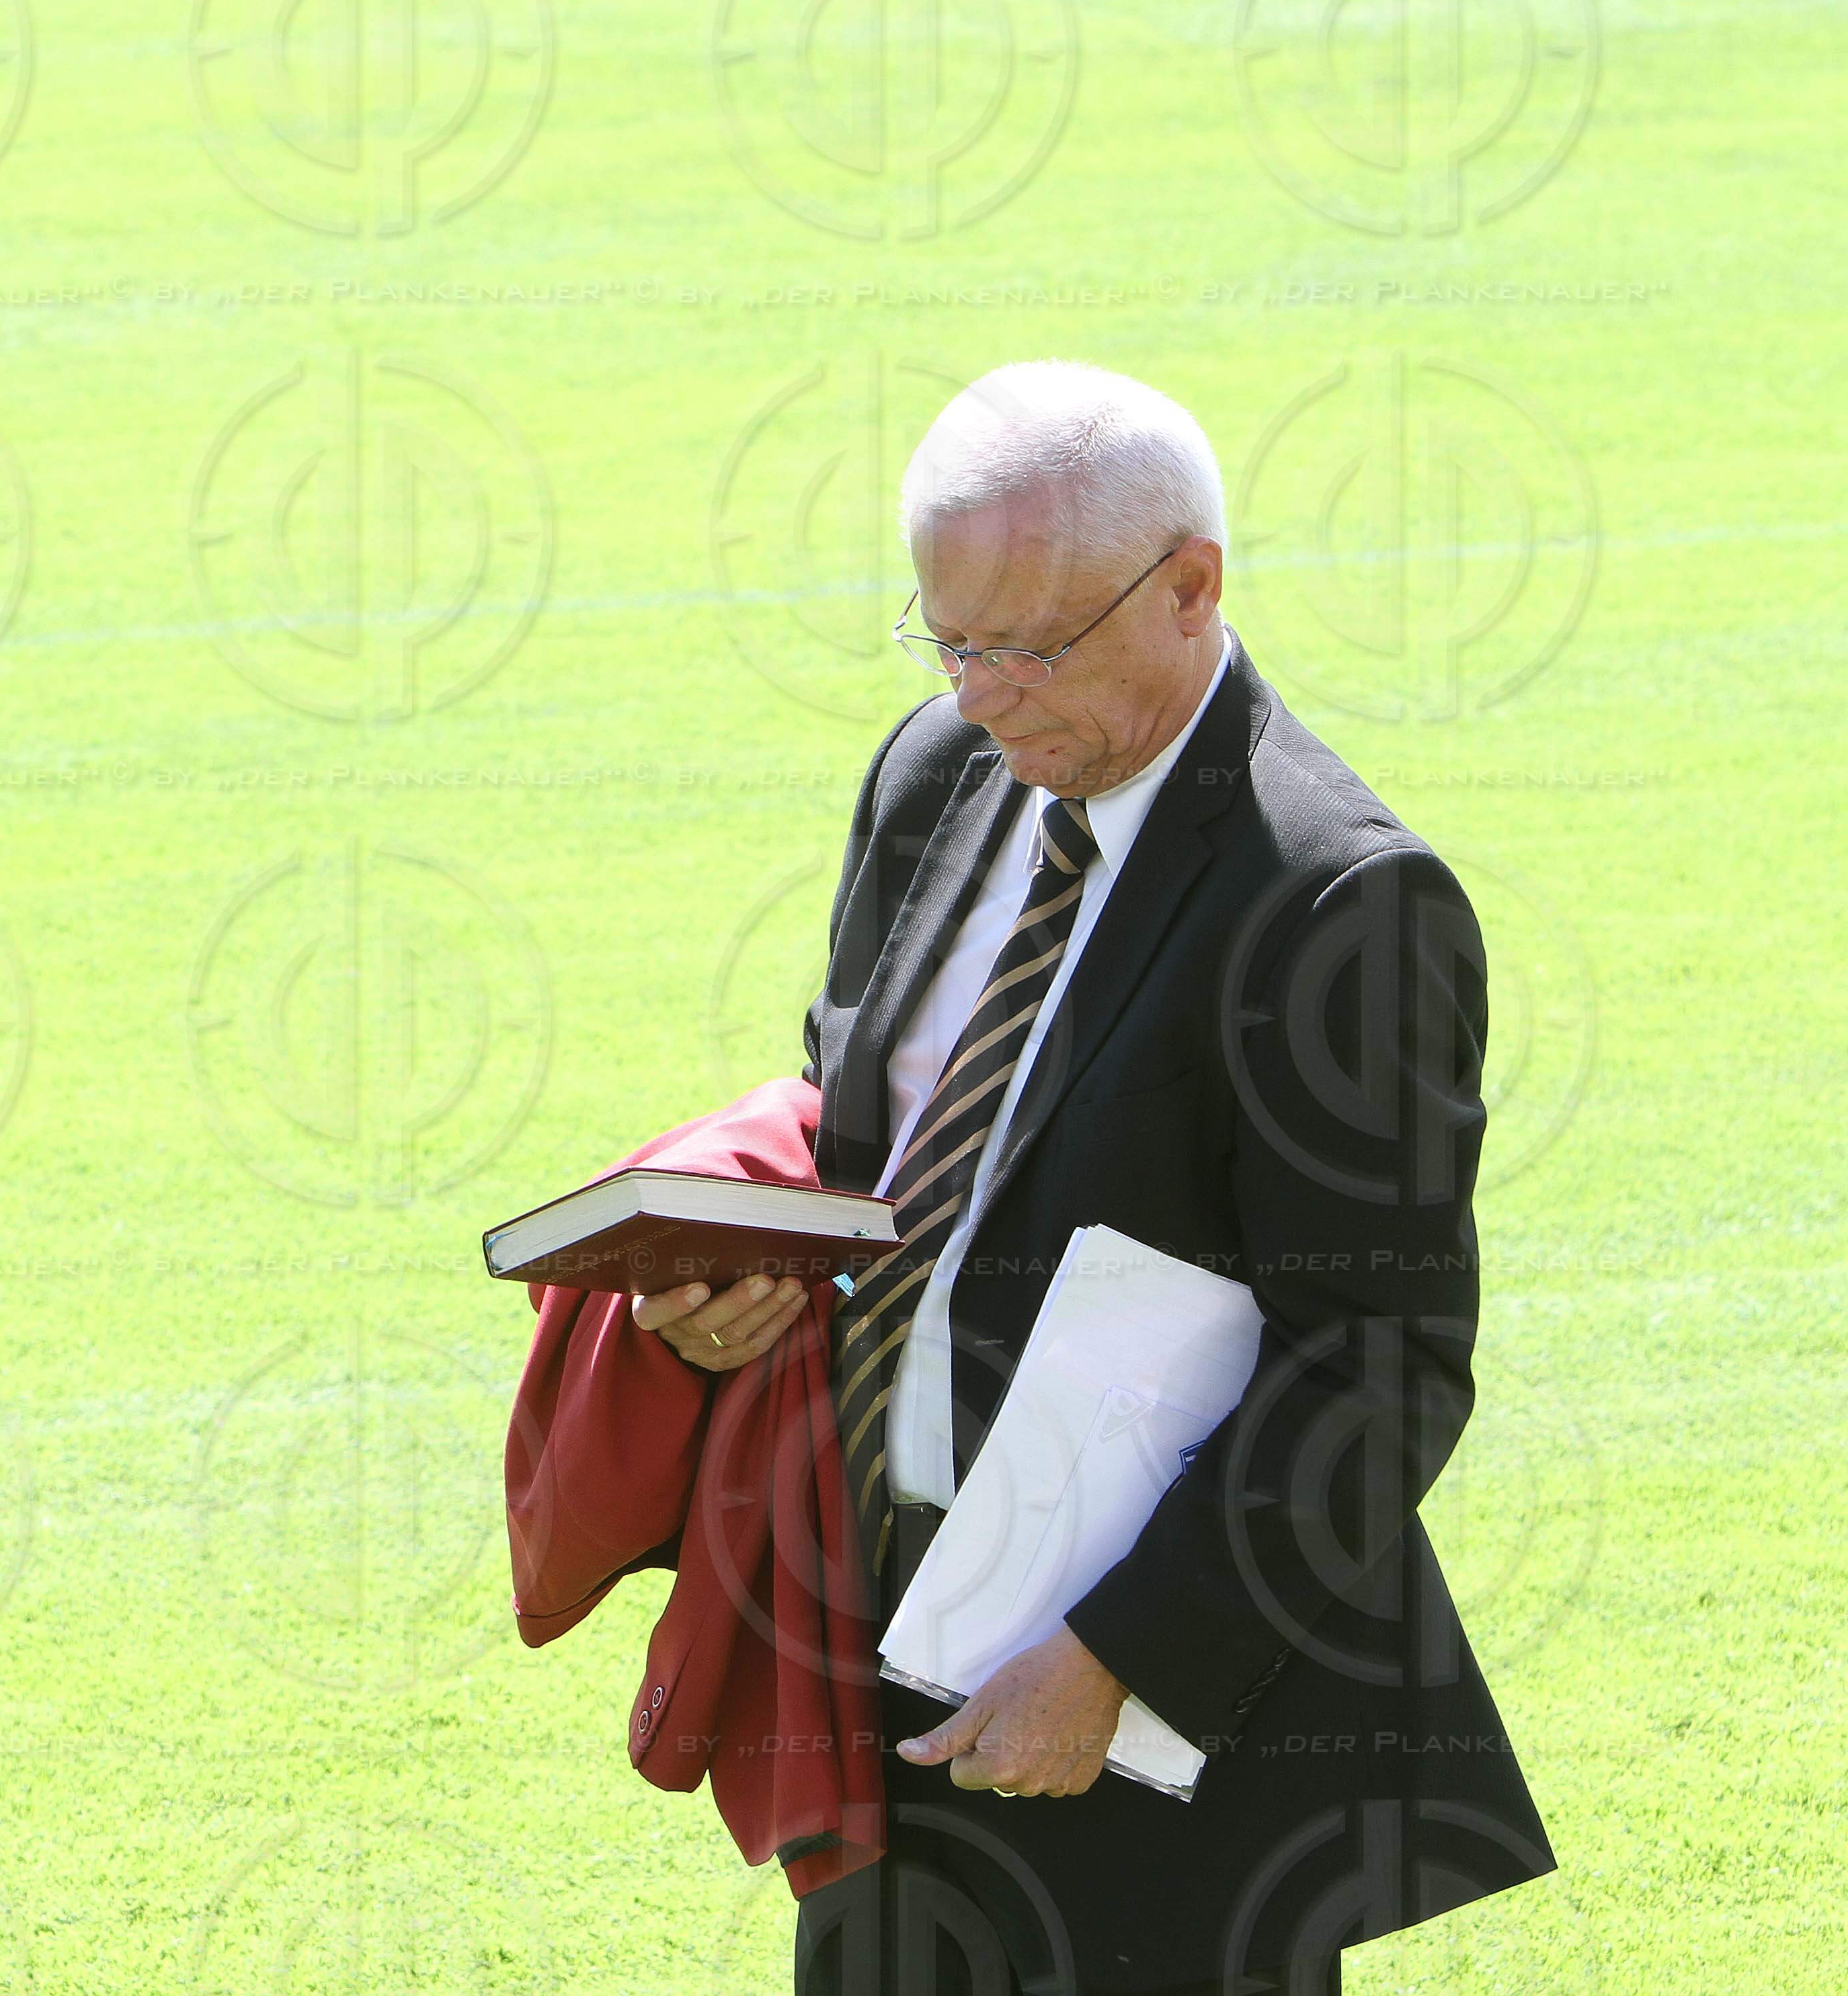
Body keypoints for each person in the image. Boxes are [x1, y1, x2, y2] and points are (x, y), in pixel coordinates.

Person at [630, 363, 1552, 1995]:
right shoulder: (936, 773)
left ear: (1191, 585)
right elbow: (871, 1130)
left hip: (1141, 1713)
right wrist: (737, 1285)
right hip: (878, 1639)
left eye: (1031, 646)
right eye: (949, 639)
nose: (982, 695)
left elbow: (1380, 1366)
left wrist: (1120, 1661)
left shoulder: (1341, 906)